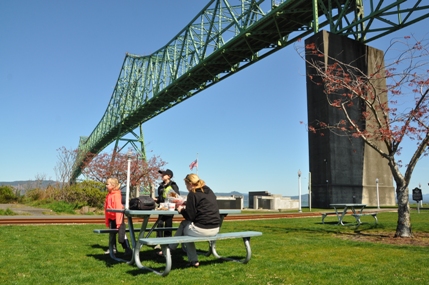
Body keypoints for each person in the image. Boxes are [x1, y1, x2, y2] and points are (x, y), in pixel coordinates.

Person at [167, 173, 221, 268]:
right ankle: (192, 260)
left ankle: (170, 248)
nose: (186, 187)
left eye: (186, 185)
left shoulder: (193, 193)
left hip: (203, 230)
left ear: (190, 184)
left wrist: (181, 210)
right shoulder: (208, 190)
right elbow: (201, 203)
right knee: (188, 231)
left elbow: (190, 217)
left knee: (184, 225)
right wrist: (187, 203)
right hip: (216, 228)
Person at [104, 177, 132, 256]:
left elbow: (118, 208)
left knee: (121, 233)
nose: (106, 185)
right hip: (111, 217)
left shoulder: (116, 195)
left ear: (113, 185)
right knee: (112, 233)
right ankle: (113, 248)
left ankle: (127, 248)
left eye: (107, 184)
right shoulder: (109, 194)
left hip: (117, 217)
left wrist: (119, 221)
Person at [154, 169, 180, 242]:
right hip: (162, 208)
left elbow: (177, 197)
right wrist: (157, 199)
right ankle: (158, 241)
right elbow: (161, 197)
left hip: (169, 208)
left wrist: (170, 196)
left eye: (163, 174)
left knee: (168, 224)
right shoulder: (161, 186)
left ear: (169, 176)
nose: (161, 176)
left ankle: (167, 241)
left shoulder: (173, 185)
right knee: (159, 224)